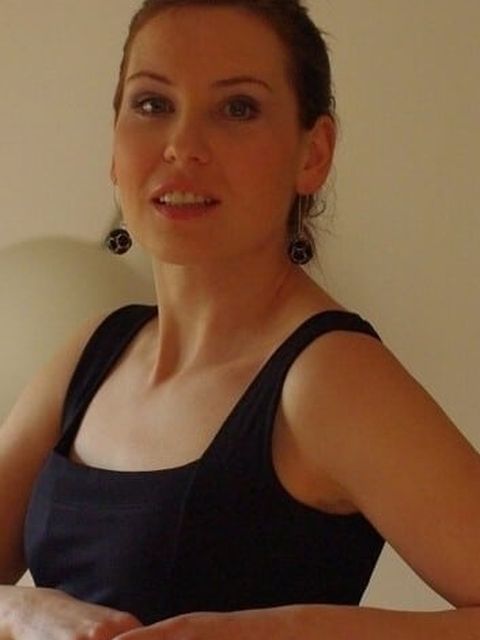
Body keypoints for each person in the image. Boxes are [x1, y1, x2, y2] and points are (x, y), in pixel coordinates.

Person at [1, 0, 479, 638]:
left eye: (237, 109)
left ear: (313, 153)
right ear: (114, 146)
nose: (182, 146)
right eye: (152, 104)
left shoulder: (330, 376)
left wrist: (290, 630)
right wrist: (22, 611)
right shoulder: (94, 351)